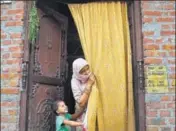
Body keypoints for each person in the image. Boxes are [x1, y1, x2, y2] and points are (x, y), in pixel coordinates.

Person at [71, 58, 95, 131]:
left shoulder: (93, 75)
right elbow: (81, 102)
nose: (87, 72)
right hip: (81, 112)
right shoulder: (74, 81)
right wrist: (89, 84)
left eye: (87, 69)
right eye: (83, 71)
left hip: (93, 110)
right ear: (77, 72)